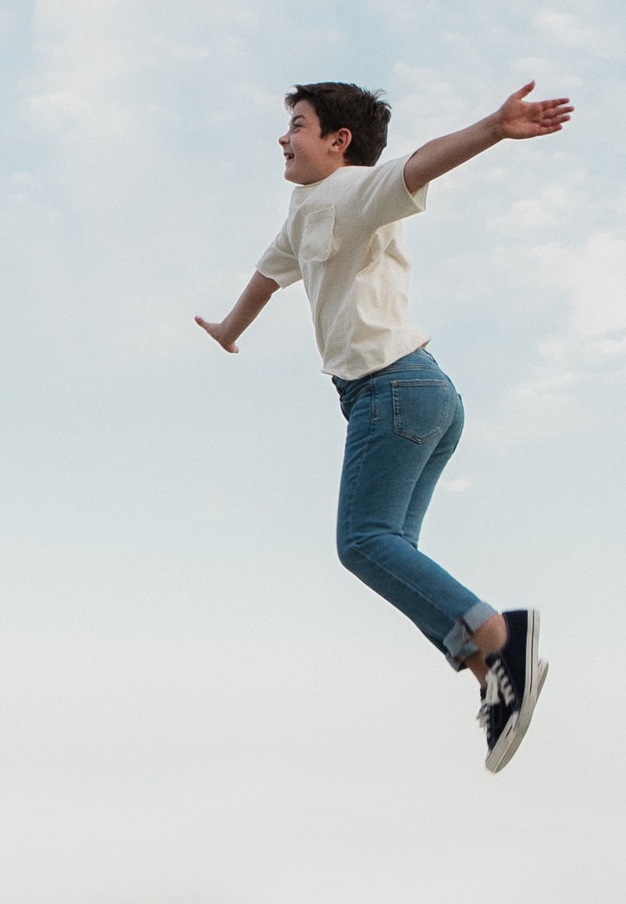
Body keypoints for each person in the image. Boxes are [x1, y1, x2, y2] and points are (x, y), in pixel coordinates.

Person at [194, 80, 572, 772]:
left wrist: (493, 126)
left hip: (391, 388)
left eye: (299, 126)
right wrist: (227, 328)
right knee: (396, 552)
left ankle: (498, 634)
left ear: (338, 142)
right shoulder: (304, 210)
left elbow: (420, 164)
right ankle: (494, 676)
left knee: (363, 541)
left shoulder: (353, 190)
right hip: (420, 392)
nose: (284, 137)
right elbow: (265, 277)